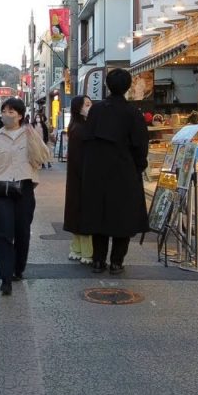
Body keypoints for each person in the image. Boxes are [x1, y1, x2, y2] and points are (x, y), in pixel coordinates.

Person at [79, 69, 149, 275]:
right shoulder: (133, 113)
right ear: (128, 87)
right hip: (124, 171)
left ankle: (98, 260)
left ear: (107, 85)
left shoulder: (97, 111)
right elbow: (140, 145)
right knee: (122, 217)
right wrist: (138, 167)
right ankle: (117, 261)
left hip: (97, 172)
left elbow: (87, 140)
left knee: (99, 215)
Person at [0, 98, 51, 296]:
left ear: (20, 115)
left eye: (11, 111)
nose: (7, 114)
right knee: (3, 234)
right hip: (2, 191)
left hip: (25, 188)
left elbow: (43, 158)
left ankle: (18, 269)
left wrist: (33, 138)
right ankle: (5, 277)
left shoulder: (30, 133)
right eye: (4, 110)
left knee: (22, 231)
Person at [63, 95, 93, 265]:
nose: (90, 107)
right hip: (84, 175)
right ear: (78, 108)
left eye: (90, 104)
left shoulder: (74, 126)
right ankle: (87, 252)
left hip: (75, 175)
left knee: (76, 211)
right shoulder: (84, 128)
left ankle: (77, 248)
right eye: (87, 105)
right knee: (85, 212)